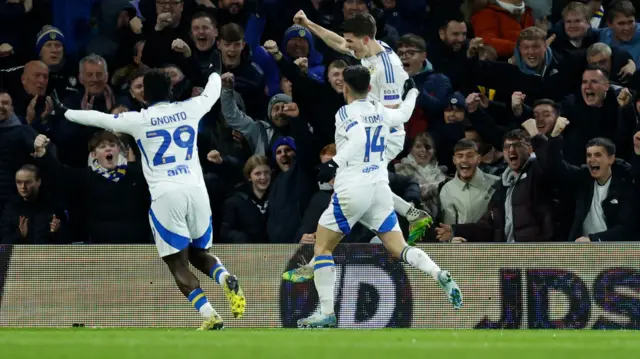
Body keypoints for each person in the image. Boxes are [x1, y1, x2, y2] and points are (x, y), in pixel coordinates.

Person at [40, 70, 245, 330]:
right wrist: (214, 73)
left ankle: (210, 315)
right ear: (170, 91)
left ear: (145, 96)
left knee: (176, 262)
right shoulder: (192, 108)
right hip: (196, 190)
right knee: (200, 252)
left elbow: (99, 118)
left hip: (166, 194)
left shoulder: (139, 119)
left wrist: (63, 111)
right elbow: (211, 92)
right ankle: (225, 276)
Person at [294, 66, 462, 329]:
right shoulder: (378, 110)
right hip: (378, 188)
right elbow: (405, 114)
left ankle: (326, 312)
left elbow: (359, 137)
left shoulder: (346, 111)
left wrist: (334, 163)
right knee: (399, 247)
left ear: (345, 88)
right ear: (370, 89)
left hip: (352, 188)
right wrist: (413, 92)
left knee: (323, 248)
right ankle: (436, 271)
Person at [292, 10, 432, 241]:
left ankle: (327, 248)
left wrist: (365, 124)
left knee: (351, 183)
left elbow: (395, 116)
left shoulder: (389, 70)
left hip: (386, 135)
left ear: (365, 39)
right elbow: (337, 42)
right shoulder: (372, 50)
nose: (348, 47)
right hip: (372, 131)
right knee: (364, 184)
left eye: (351, 42)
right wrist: (309, 24)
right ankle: (410, 217)